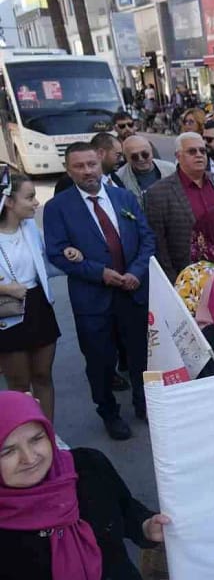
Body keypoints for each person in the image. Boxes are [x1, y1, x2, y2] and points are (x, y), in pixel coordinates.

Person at [0, 391, 171, 580]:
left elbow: (126, 510)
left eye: (37, 439)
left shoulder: (88, 466)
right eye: (7, 452)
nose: (29, 457)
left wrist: (146, 526)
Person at [45, 143, 156, 440]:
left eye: (91, 164)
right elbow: (56, 253)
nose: (87, 171)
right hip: (93, 300)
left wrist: (135, 272)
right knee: (100, 360)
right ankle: (108, 411)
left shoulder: (123, 197)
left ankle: (143, 405)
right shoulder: (58, 208)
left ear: (100, 163)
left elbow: (146, 239)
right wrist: (99, 273)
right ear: (69, 170)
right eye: (79, 166)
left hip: (132, 293)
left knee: (139, 356)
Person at [0, 174, 61, 420]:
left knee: (43, 376)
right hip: (9, 311)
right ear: (9, 202)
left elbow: (46, 262)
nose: (36, 203)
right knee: (19, 384)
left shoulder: (30, 228)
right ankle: (26, 431)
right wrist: (5, 289)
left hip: (38, 306)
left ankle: (48, 435)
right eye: (29, 197)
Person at [144, 133, 214, 281]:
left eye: (203, 151)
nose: (199, 155)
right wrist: (173, 282)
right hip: (186, 277)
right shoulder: (158, 193)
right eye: (192, 151)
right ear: (178, 156)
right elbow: (159, 244)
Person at [115, 135, 173, 200]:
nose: (141, 159)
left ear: (152, 152)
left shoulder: (171, 169)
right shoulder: (119, 178)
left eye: (145, 154)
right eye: (134, 157)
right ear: (126, 158)